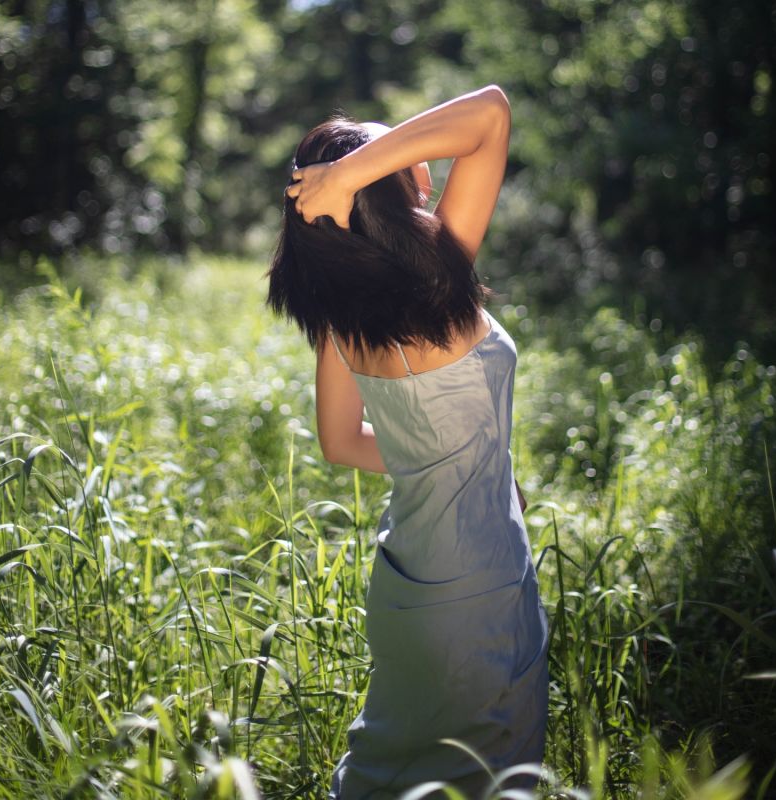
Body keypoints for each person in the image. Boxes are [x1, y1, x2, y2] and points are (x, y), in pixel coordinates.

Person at [267, 85, 549, 799]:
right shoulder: (440, 279)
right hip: (478, 586)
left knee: (387, 770)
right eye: (393, 145)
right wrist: (352, 171)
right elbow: (489, 113)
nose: (417, 151)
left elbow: (338, 443)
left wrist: (457, 462)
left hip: (404, 581)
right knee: (490, 779)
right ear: (380, 181)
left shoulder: (341, 317)